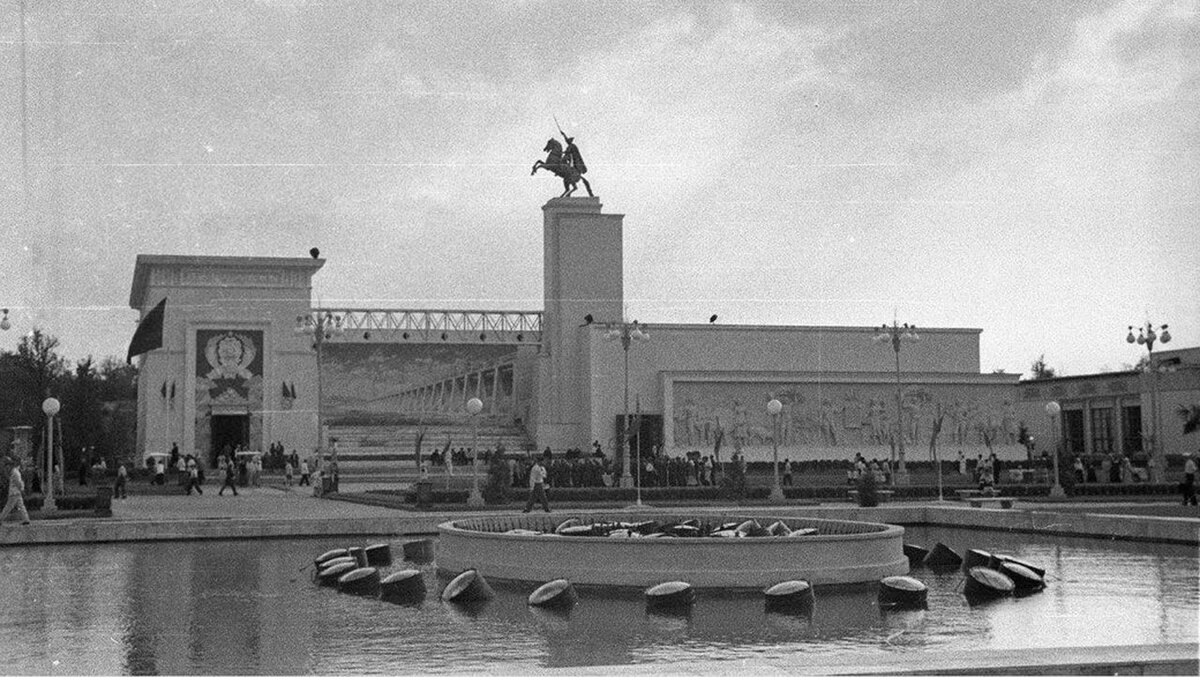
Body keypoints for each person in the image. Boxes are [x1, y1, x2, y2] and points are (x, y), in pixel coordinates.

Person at [0, 456, 31, 526]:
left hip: (14, 493)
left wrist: (21, 490)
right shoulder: (15, 472)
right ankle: (26, 519)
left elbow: (18, 483)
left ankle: (1, 519)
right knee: (17, 506)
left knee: (12, 506)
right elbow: (18, 483)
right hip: (15, 492)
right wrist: (21, 490)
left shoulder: (15, 472)